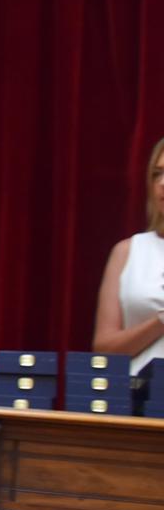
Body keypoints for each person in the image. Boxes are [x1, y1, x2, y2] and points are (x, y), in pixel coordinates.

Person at [93, 136, 164, 373]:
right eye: (157, 174)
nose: (162, 183)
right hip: (137, 401)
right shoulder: (128, 251)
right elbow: (103, 350)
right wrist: (160, 321)